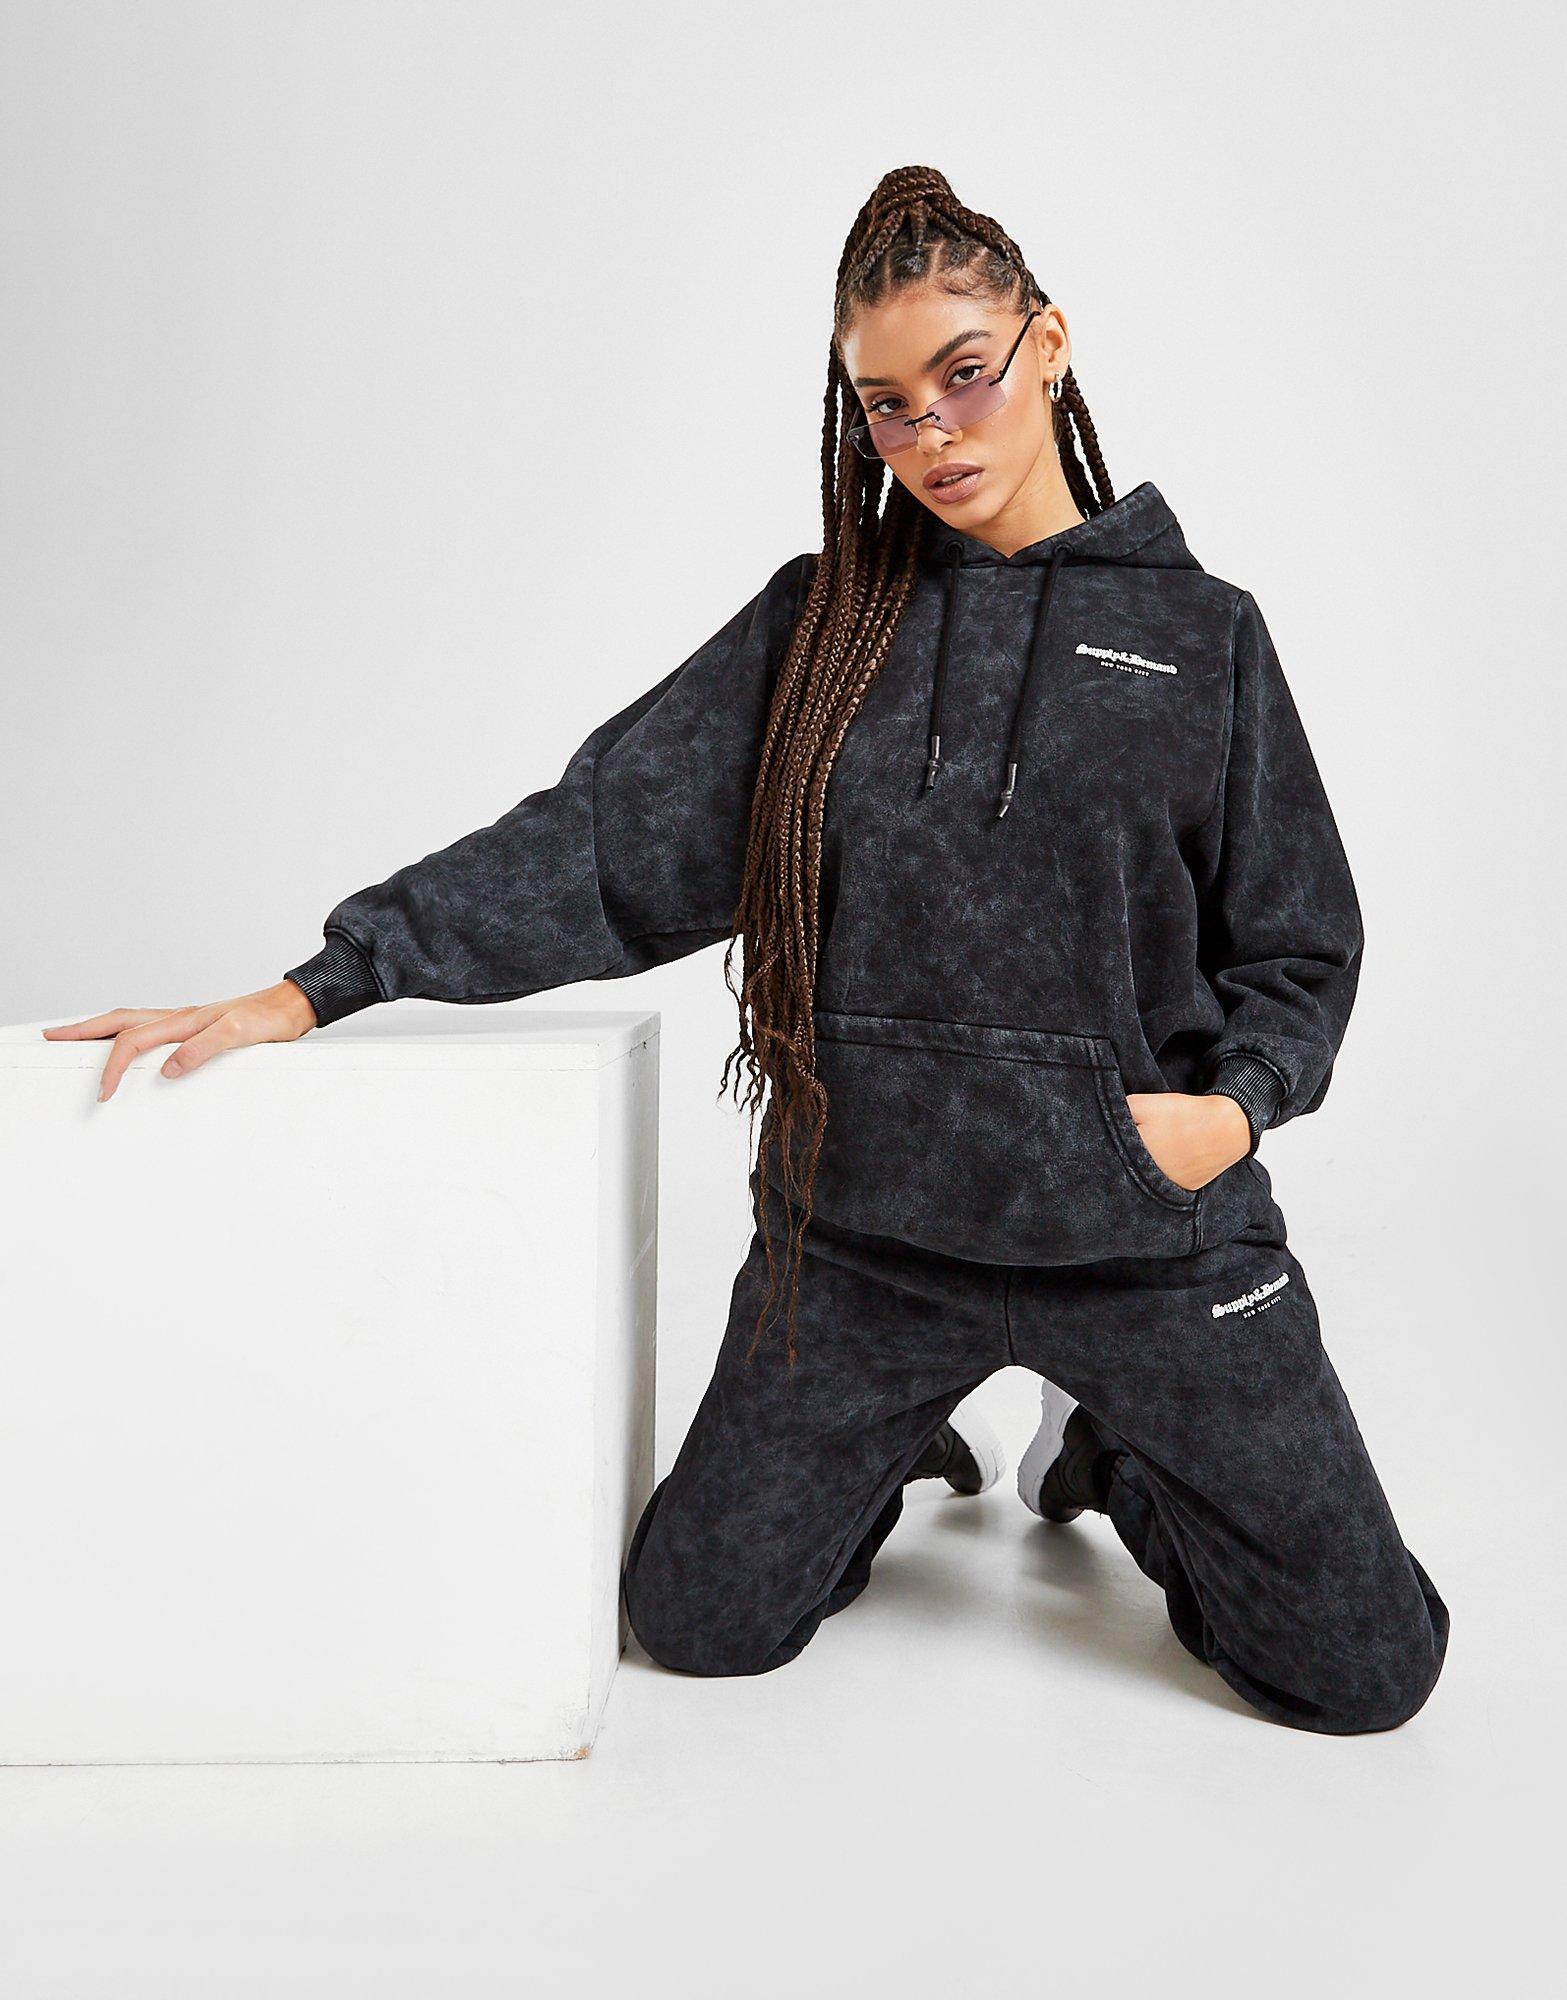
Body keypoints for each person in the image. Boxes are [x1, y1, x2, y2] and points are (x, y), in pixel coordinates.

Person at [47, 165, 1449, 1734]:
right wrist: (318, 985)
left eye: (964, 375)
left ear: (1048, 344)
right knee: (697, 1623)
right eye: (886, 407)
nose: (932, 435)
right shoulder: (822, 627)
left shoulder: (1203, 637)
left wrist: (1233, 1112)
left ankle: (1113, 1446)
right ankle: (892, 1430)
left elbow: (1298, 941)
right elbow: (597, 842)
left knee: (1366, 1675)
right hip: (863, 1243)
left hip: (1145, 1237)